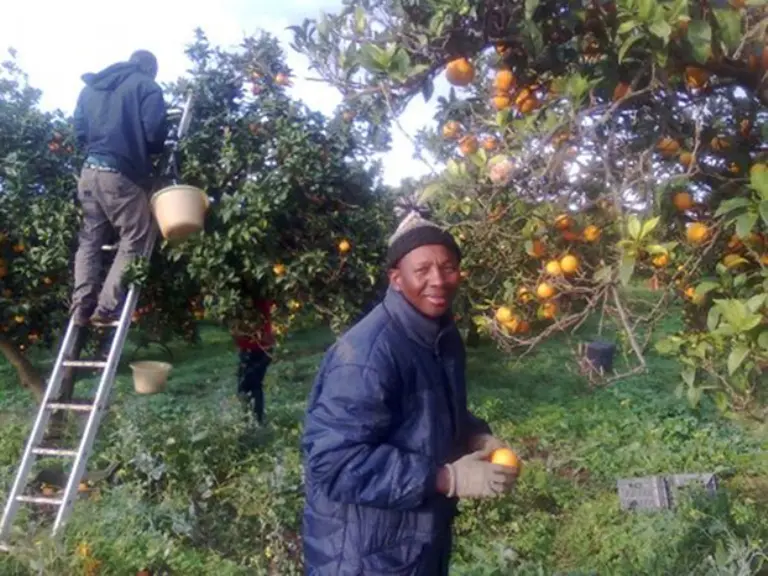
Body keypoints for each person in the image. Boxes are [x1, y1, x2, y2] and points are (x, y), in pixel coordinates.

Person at [301, 212, 518, 575]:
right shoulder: (367, 356)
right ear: (396, 279)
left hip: (413, 544)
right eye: (423, 270)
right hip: (362, 554)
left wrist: (474, 434)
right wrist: (446, 478)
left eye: (448, 268)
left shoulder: (441, 335)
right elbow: (334, 462)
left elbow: (431, 409)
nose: (439, 280)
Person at [70, 50, 169, 327]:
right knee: (136, 235)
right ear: (150, 68)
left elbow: (79, 131)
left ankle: (81, 307)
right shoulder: (147, 86)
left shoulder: (90, 89)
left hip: (88, 174)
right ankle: (106, 308)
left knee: (89, 240)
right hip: (119, 174)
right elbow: (154, 134)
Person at [233, 299, 275, 424]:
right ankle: (252, 421)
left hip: (260, 350)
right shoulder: (241, 301)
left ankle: (255, 422)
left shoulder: (257, 298)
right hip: (248, 350)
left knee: (249, 385)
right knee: (246, 387)